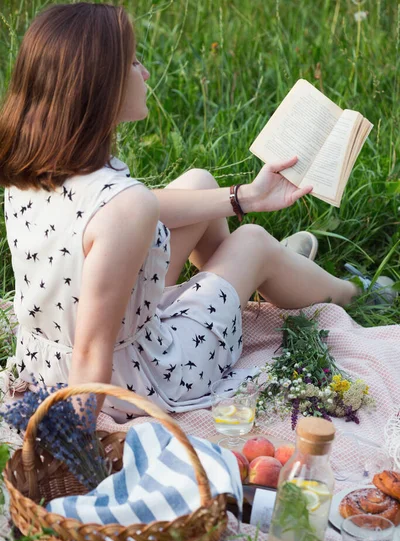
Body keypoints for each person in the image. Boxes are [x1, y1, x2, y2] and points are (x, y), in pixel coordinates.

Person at [0, 3, 393, 423]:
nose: (145, 71)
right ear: (103, 87)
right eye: (133, 62)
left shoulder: (31, 164)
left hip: (44, 362)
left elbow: (126, 210)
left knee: (201, 181)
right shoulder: (125, 208)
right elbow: (92, 352)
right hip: (131, 381)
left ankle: (262, 275)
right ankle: (353, 292)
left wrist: (247, 196)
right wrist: (78, 445)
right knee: (252, 242)